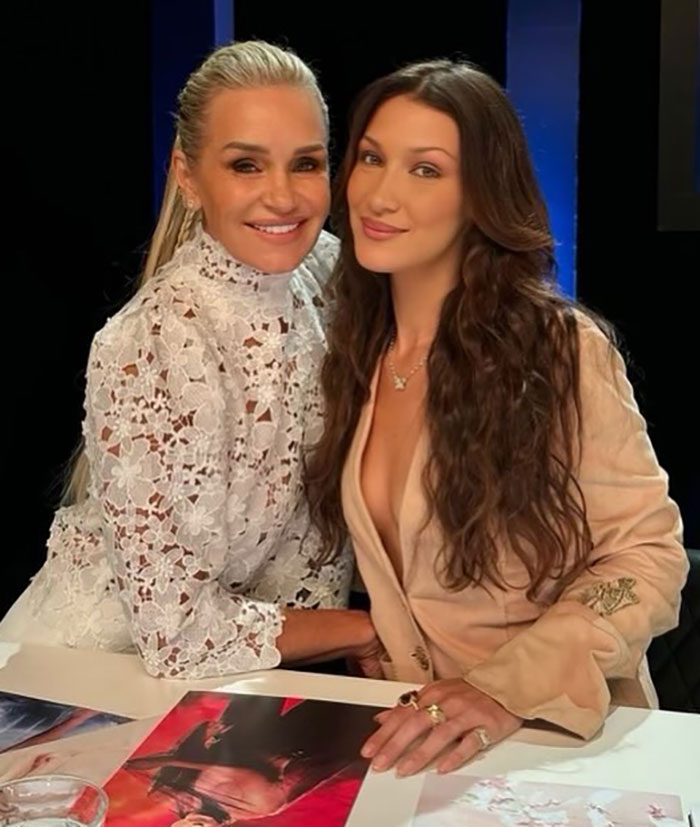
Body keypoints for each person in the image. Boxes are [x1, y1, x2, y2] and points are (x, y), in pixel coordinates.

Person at [304, 59, 688, 774]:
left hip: (547, 741)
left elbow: (649, 554)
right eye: (371, 158)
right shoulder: (357, 350)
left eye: (426, 170)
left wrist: (505, 689)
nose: (381, 194)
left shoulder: (560, 350)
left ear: (481, 193)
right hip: (415, 743)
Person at [0, 40, 381, 679]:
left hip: (251, 688)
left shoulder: (329, 273)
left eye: (306, 163)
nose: (283, 197)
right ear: (186, 174)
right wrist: (364, 630)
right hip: (90, 686)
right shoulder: (150, 343)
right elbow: (178, 636)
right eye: (246, 166)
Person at [126, 695, 378, 823]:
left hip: (253, 733)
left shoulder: (176, 796)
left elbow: (146, 762)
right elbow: (237, 771)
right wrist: (174, 763)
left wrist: (190, 749)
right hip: (312, 743)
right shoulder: (253, 807)